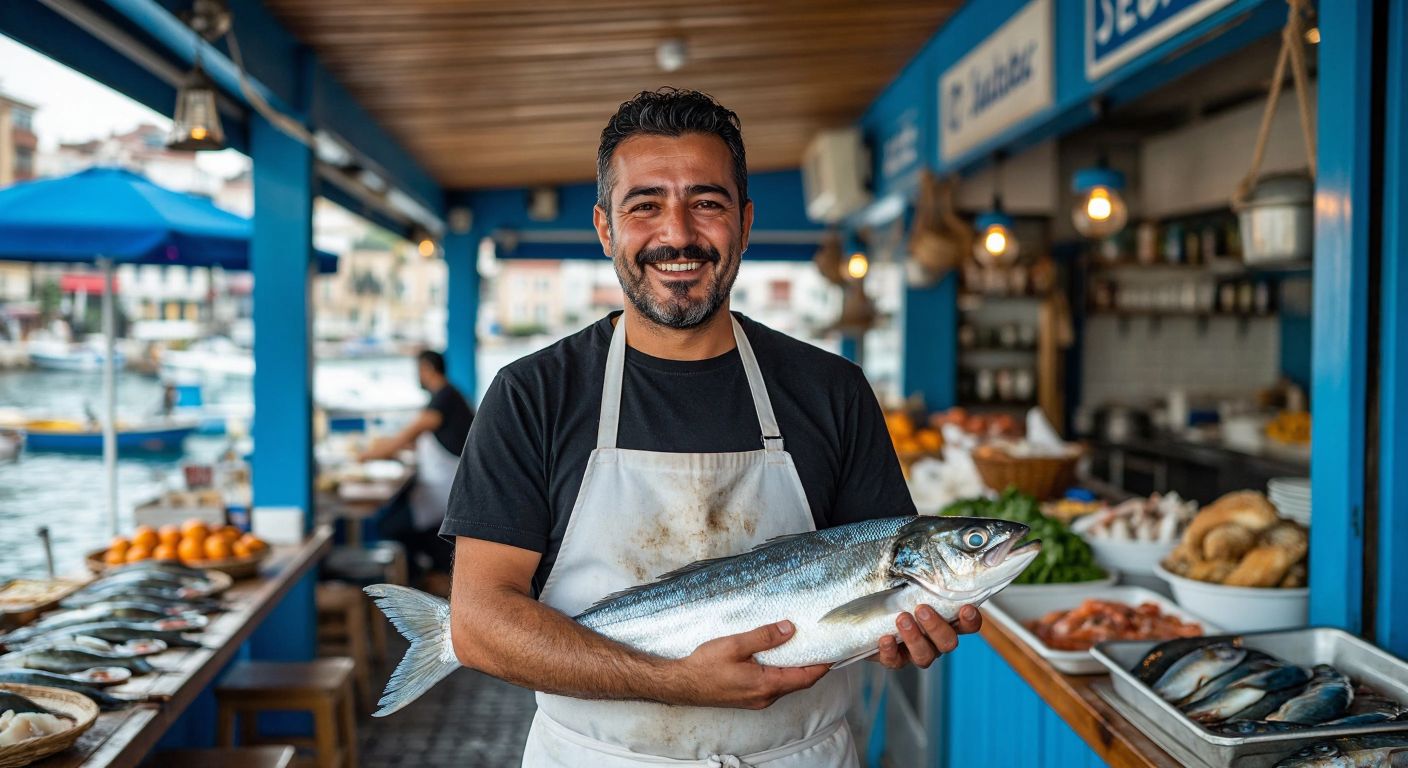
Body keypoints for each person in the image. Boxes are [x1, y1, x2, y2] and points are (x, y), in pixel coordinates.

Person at [440, 88, 981, 768]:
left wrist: (907, 632)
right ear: (606, 227)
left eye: (707, 202)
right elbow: (481, 622)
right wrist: (671, 683)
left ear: (745, 223)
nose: (678, 234)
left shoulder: (831, 390)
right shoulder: (534, 394)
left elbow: (881, 595)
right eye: (645, 205)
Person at [360, 350, 473, 585]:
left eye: (418, 370)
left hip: (444, 493)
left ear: (427, 369)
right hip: (446, 489)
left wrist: (366, 455)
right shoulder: (449, 395)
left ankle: (416, 584)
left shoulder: (443, 400)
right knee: (396, 514)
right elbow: (420, 442)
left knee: (387, 526)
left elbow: (406, 436)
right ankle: (430, 572)